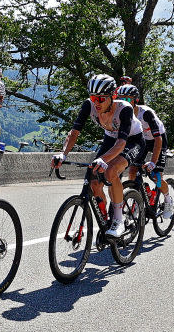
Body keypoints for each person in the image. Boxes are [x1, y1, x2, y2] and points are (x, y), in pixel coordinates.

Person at [51, 74, 145, 238]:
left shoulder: (124, 109)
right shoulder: (89, 105)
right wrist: (63, 154)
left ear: (113, 96)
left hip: (132, 141)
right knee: (93, 180)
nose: (97, 102)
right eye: (94, 97)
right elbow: (74, 132)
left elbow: (121, 144)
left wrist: (104, 160)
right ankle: (104, 217)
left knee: (111, 171)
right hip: (110, 138)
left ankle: (118, 220)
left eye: (101, 99)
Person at [114, 84, 174, 219]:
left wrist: (153, 162)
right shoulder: (121, 113)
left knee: (156, 176)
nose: (124, 102)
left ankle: (168, 200)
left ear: (136, 100)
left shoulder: (145, 113)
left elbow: (158, 140)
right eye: (121, 99)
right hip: (141, 140)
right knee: (133, 170)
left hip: (157, 140)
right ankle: (137, 198)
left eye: (128, 99)